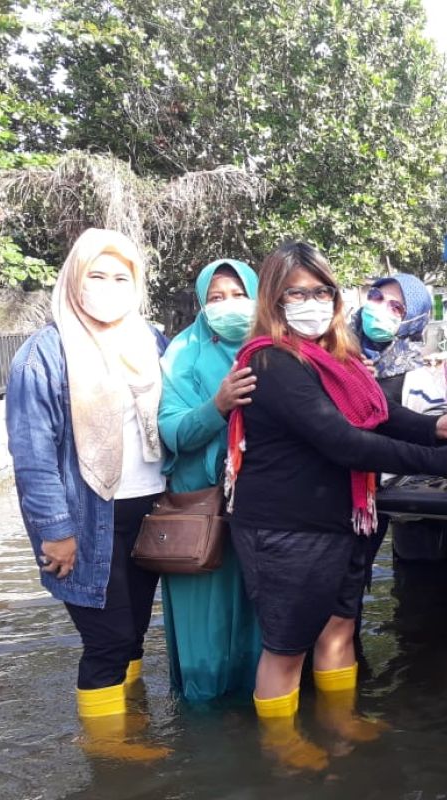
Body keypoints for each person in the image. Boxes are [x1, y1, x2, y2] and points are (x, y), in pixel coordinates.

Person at [224, 241, 447, 769]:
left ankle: (338, 720)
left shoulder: (339, 359)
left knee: (341, 624)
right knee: (287, 645)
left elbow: (378, 413)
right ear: (275, 301)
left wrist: (438, 427)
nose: (312, 302)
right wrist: (442, 460)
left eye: (321, 291)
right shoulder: (273, 363)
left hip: (341, 517)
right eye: (297, 293)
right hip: (286, 525)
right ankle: (280, 744)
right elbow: (342, 441)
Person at [6, 228, 169, 760]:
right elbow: (32, 456)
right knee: (107, 639)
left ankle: (129, 708)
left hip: (149, 508)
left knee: (135, 630)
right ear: (74, 280)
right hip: (85, 518)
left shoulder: (151, 342)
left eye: (121, 277)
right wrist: (56, 534)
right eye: (96, 276)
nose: (108, 287)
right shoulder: (44, 355)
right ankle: (106, 745)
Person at [157, 259, 262, 702]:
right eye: (216, 298)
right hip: (201, 511)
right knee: (205, 622)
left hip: (263, 505)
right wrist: (216, 406)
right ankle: (203, 721)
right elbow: (171, 431)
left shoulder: (276, 344)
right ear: (201, 304)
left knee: (261, 614)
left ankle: (262, 700)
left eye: (239, 295)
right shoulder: (182, 353)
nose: (229, 305)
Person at [352, 272, 433, 403]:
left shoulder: (414, 382)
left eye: (396, 308)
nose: (380, 307)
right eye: (376, 296)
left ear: (411, 321)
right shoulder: (334, 343)